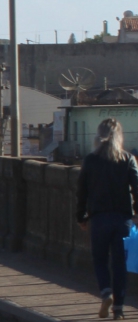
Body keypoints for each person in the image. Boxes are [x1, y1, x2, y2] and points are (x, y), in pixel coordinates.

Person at [76, 118, 138, 320]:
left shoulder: (90, 160)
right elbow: (137, 190)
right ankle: (118, 309)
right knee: (120, 264)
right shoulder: (128, 159)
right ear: (119, 136)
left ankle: (105, 292)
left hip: (99, 219)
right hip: (122, 221)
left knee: (100, 260)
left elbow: (82, 192)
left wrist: (81, 216)